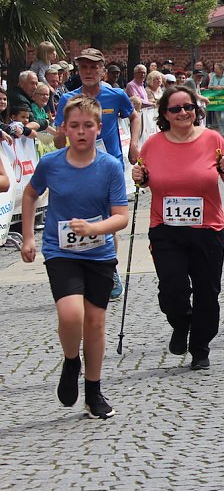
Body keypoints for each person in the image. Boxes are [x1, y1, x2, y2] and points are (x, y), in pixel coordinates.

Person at [20, 95, 129, 419]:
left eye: (88, 126)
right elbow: (30, 193)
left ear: (99, 129)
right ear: (64, 129)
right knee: (71, 315)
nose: (81, 131)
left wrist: (95, 228)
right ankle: (71, 361)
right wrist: (27, 237)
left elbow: (120, 216)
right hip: (59, 250)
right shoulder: (51, 163)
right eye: (75, 126)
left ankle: (94, 391)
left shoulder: (109, 166)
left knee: (95, 322)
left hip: (98, 253)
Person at [131, 86, 224, 369]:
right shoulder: (152, 145)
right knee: (172, 289)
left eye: (188, 107)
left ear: (196, 109)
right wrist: (139, 177)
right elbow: (143, 182)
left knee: (207, 290)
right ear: (164, 114)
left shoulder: (213, 140)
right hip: (166, 229)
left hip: (208, 228)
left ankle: (200, 346)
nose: (183, 113)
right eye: (175, 109)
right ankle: (181, 323)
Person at [54, 48, 141, 301]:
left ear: (102, 70)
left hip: (109, 165)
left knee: (106, 217)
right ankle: (83, 267)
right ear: (78, 71)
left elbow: (134, 116)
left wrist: (134, 144)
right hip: (78, 167)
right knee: (82, 216)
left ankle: (108, 268)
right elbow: (60, 139)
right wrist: (61, 136)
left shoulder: (115, 95)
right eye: (84, 68)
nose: (89, 72)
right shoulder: (67, 99)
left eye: (94, 67)